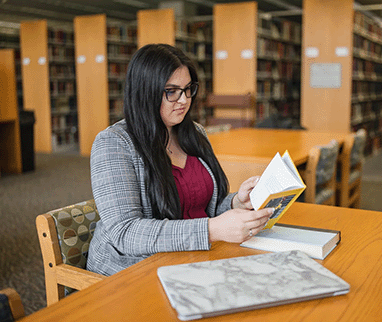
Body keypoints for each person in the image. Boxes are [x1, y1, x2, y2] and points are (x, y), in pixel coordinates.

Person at [87, 44, 274, 276]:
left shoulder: (194, 133)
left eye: (188, 89)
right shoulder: (114, 143)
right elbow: (126, 233)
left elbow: (201, 208)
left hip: (192, 255)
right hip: (133, 269)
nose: (184, 100)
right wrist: (211, 230)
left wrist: (236, 203)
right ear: (145, 91)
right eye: (171, 91)